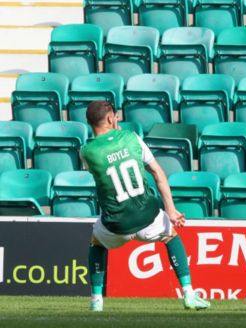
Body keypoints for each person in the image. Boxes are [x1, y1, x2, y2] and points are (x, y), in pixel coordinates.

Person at [80, 101, 210, 312]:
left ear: (89, 122)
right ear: (111, 119)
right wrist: (171, 210)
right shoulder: (131, 137)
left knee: (97, 242)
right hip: (147, 215)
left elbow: (101, 166)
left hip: (117, 224)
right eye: (115, 116)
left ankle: (96, 301)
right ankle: (188, 293)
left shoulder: (86, 152)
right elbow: (157, 173)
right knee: (170, 236)